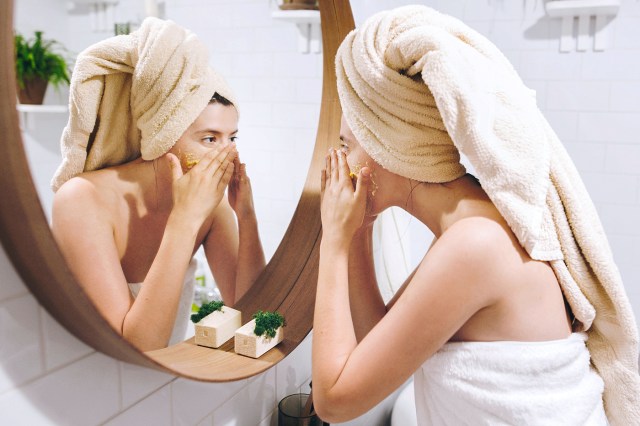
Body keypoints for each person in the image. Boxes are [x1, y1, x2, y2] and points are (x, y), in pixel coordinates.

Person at [312, 5, 639, 425]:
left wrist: (334, 242)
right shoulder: (472, 224)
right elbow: (380, 339)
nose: (339, 159)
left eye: (347, 143)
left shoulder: (476, 244)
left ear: (389, 144)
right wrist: (357, 230)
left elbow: (335, 402)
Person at [50, 18, 265, 351]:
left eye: (231, 137)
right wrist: (183, 221)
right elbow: (136, 350)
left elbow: (251, 312)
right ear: (164, 137)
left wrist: (246, 216)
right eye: (210, 138)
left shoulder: (211, 206)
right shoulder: (82, 200)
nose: (228, 153)